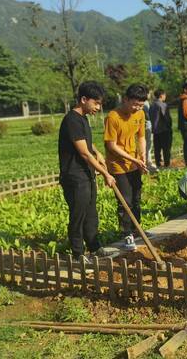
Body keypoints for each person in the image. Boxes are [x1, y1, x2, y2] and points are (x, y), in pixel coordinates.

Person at [58, 81, 118, 261]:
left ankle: (95, 247)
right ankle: (78, 254)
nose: (98, 108)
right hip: (75, 176)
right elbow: (84, 153)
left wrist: (98, 152)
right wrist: (106, 174)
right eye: (96, 103)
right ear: (83, 99)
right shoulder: (71, 120)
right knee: (78, 214)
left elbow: (86, 143)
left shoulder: (82, 118)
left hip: (86, 174)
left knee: (91, 214)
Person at [104, 83, 149, 251]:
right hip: (118, 166)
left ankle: (138, 230)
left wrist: (142, 155)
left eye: (141, 105)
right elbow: (111, 146)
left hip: (134, 163)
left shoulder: (140, 114)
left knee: (136, 199)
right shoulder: (113, 117)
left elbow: (142, 137)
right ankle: (127, 234)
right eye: (135, 104)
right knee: (125, 201)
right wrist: (133, 159)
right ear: (126, 99)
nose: (138, 108)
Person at [150, 89, 173, 168]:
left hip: (155, 131)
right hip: (164, 130)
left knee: (157, 149)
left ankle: (158, 165)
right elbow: (166, 117)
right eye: (164, 95)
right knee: (166, 149)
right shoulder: (162, 105)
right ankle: (167, 165)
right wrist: (170, 125)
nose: (165, 96)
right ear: (161, 95)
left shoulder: (152, 105)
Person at [143, 91, 154, 169]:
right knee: (148, 144)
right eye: (149, 93)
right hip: (147, 125)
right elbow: (147, 116)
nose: (150, 94)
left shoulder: (146, 102)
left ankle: (148, 161)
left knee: (148, 145)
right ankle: (147, 162)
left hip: (146, 124)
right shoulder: (144, 103)